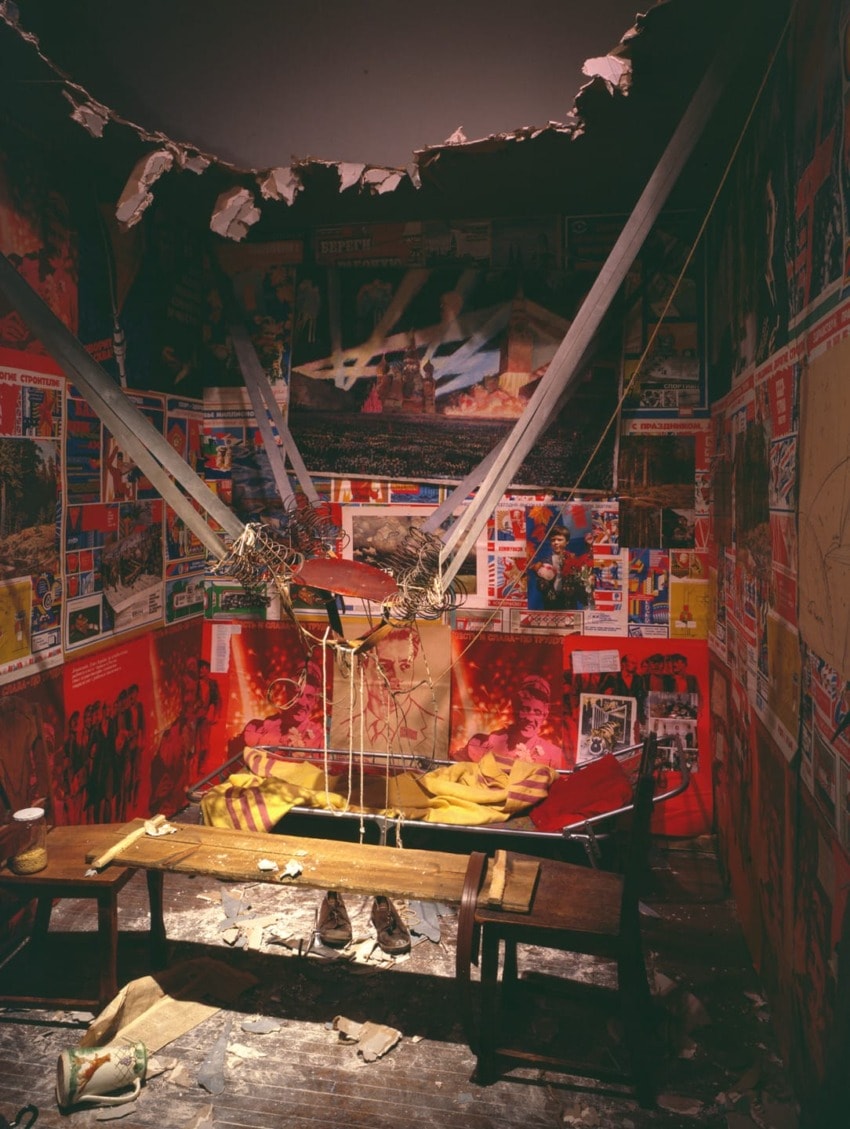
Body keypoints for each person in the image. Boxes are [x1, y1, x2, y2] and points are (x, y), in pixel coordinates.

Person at [459, 674, 565, 769]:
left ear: (544, 715)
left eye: (537, 712)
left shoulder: (554, 756)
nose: (530, 718)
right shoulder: (482, 743)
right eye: (525, 709)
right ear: (515, 708)